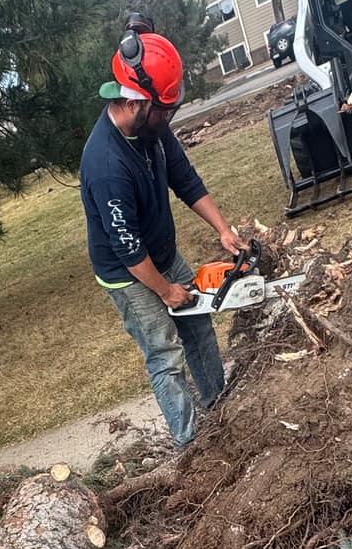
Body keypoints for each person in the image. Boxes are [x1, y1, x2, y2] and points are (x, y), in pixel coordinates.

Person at [79, 22, 242, 447]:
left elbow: (185, 179)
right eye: (164, 110)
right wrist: (166, 291)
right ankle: (192, 445)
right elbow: (127, 248)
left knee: (198, 326)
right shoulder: (106, 165)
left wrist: (223, 229)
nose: (169, 117)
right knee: (165, 353)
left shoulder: (153, 129)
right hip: (127, 271)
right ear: (135, 102)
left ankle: (220, 409)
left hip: (162, 252)